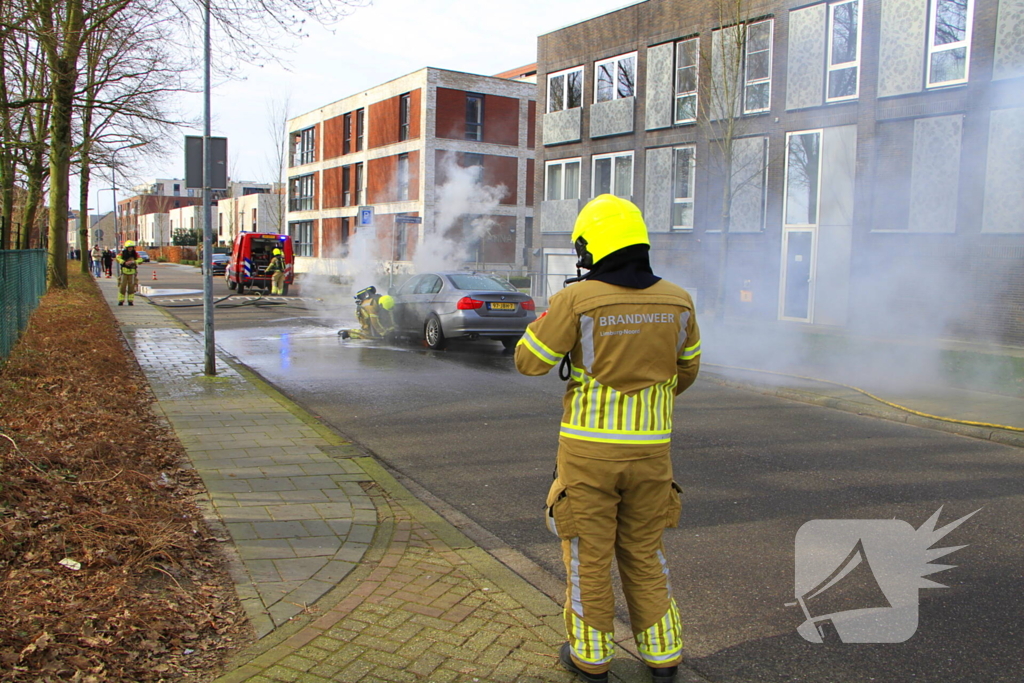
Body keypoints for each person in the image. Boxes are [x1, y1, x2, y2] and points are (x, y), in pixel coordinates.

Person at [514, 195, 701, 683]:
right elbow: (686, 371)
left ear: (590, 246)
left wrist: (551, 315)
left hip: (588, 456)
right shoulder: (679, 300)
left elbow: (529, 361)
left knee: (588, 557)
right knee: (644, 551)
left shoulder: (577, 299)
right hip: (652, 454)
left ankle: (592, 658)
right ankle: (663, 656)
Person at [116, 241, 141, 306]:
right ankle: (121, 300)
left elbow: (140, 259)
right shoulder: (122, 253)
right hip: (124, 272)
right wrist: (124, 262)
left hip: (132, 272)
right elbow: (117, 258)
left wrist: (134, 262)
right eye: (129, 247)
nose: (130, 248)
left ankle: (130, 301)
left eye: (131, 247)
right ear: (126, 248)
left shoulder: (135, 254)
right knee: (122, 286)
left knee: (131, 287)